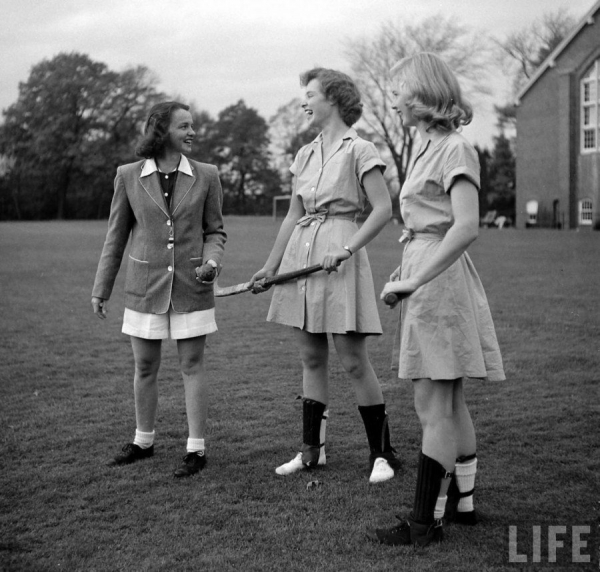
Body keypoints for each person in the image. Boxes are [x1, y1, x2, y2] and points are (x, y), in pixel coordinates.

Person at [367, 53, 505, 547]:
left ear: (423, 93)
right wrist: (406, 271)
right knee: (449, 398)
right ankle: (463, 504)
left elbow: (465, 227)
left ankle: (425, 523)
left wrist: (413, 279)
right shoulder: (425, 148)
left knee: (433, 404)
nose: (395, 97)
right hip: (429, 273)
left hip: (438, 283)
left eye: (401, 87)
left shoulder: (455, 149)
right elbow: (429, 227)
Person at [250, 68, 401, 483]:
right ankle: (312, 452)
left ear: (333, 99)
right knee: (310, 356)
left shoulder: (361, 149)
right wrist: (271, 265)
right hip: (303, 253)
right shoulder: (304, 153)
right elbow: (294, 215)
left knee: (353, 360)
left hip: (341, 251)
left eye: (311, 94)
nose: (304, 101)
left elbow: (383, 209)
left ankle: (383, 454)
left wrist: (347, 248)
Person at [91, 101, 226, 478]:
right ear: (161, 130)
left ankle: (196, 449)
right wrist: (101, 288)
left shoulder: (208, 175)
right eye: (184, 125)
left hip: (192, 286)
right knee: (145, 366)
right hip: (144, 288)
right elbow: (115, 237)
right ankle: (143, 441)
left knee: (192, 365)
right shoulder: (128, 175)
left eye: (192, 125)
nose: (192, 131)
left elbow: (215, 231)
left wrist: (212, 261)